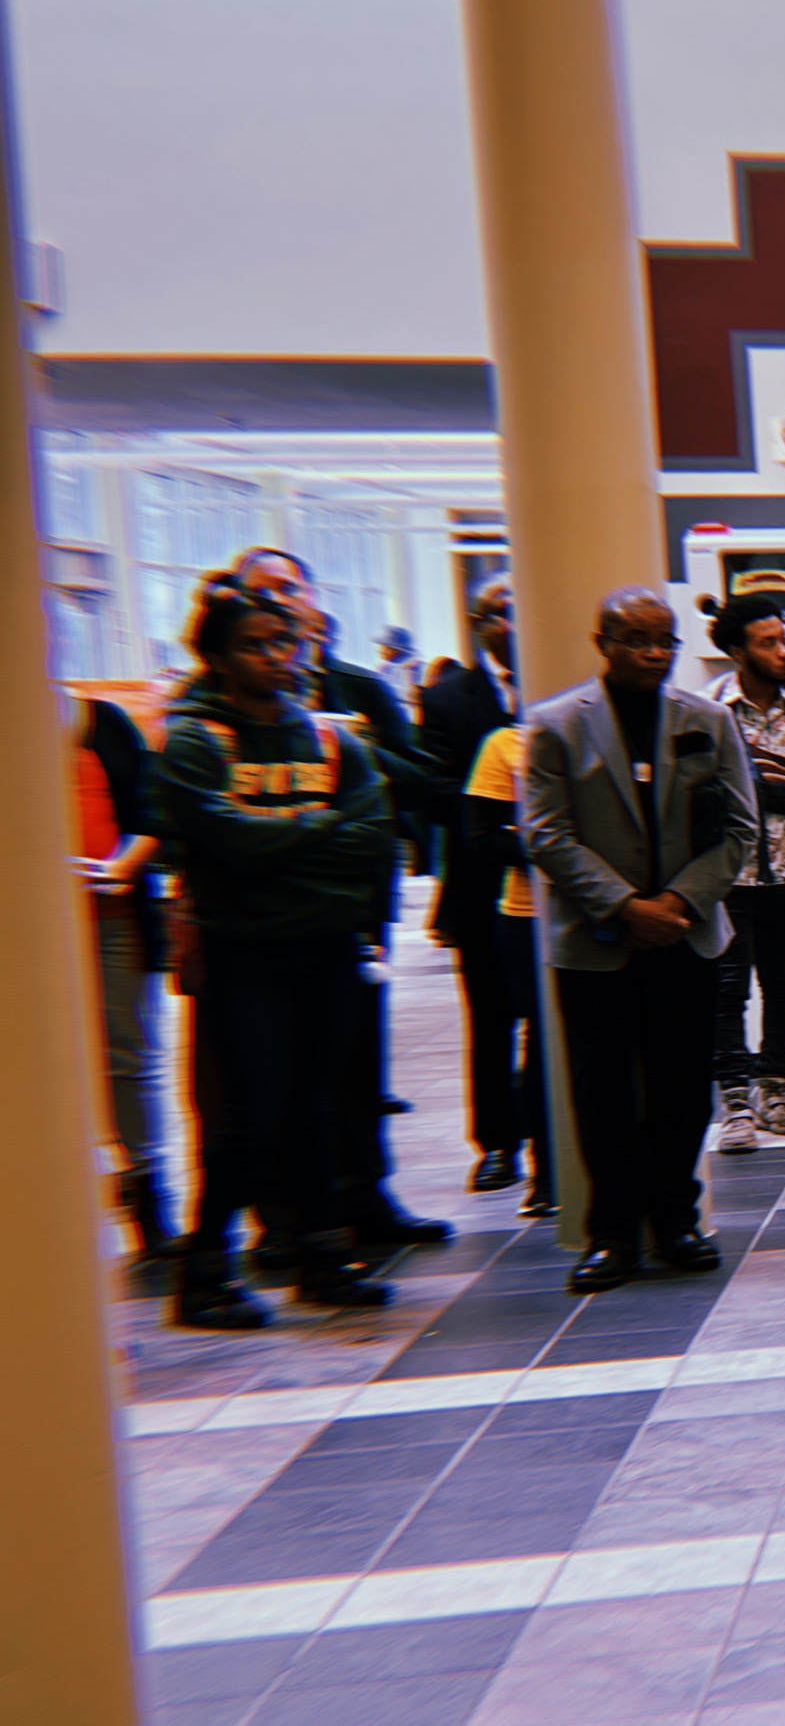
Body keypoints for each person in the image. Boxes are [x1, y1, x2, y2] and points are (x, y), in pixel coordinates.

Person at [156, 582, 399, 1328]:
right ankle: (204, 1272)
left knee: (315, 1108)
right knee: (250, 1113)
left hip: (326, 948)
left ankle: (322, 1259)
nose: (275, 657)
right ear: (218, 657)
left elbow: (371, 835)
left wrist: (275, 840)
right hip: (244, 956)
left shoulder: (332, 739)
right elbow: (219, 841)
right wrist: (310, 826)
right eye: (253, 645)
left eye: (283, 642)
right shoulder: (196, 739)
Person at [521, 587, 755, 1293]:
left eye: (665, 640)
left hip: (684, 937)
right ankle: (610, 1235)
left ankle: (675, 1220)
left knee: (681, 1086)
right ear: (602, 641)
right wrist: (626, 905)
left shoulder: (706, 720)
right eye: (637, 639)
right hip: (596, 943)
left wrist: (677, 902)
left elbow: (739, 830)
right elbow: (544, 834)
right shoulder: (556, 725)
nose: (654, 653)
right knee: (603, 1093)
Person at [226, 547, 451, 1248]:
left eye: (290, 588)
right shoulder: (217, 712)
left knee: (354, 1064)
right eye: (262, 592)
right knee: (267, 1077)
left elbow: (421, 780)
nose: (281, 601)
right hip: (259, 921)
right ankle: (283, 1219)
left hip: (353, 911)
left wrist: (351, 748)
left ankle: (365, 1197)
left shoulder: (355, 689)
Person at [699, 591, 785, 1152]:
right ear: (737, 652)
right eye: (768, 642)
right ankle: (734, 1101)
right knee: (727, 989)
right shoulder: (706, 714)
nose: (783, 652)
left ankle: (774, 1090)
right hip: (726, 879)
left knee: (782, 984)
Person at [420, 575, 526, 1192]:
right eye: (502, 612)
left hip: (557, 888)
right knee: (490, 1020)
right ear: (480, 623)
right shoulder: (448, 698)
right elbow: (432, 791)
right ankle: (496, 1144)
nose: (514, 623)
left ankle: (549, 1138)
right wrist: (491, 808)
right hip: (482, 881)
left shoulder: (565, 682)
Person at [66, 689, 177, 1257]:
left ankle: (145, 1193)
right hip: (28, 931)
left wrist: (119, 868)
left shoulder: (100, 721)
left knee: (127, 1057)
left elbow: (150, 812)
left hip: (110, 915)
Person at [461, 721, 555, 1219]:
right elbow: (483, 834)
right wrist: (561, 848)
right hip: (525, 913)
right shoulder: (504, 741)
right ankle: (544, 1168)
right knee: (539, 1040)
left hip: (614, 909)